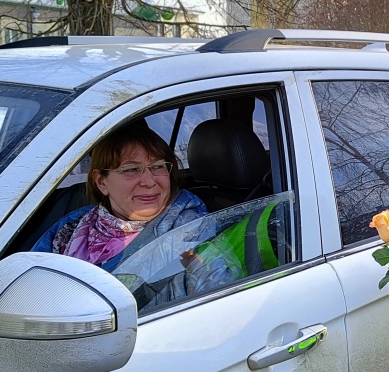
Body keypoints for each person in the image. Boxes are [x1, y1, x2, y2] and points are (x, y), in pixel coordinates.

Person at [33, 121, 236, 302]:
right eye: (131, 169)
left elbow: (218, 306)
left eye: (158, 167)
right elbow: (30, 283)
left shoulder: (191, 230)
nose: (149, 181)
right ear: (101, 182)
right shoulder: (72, 226)